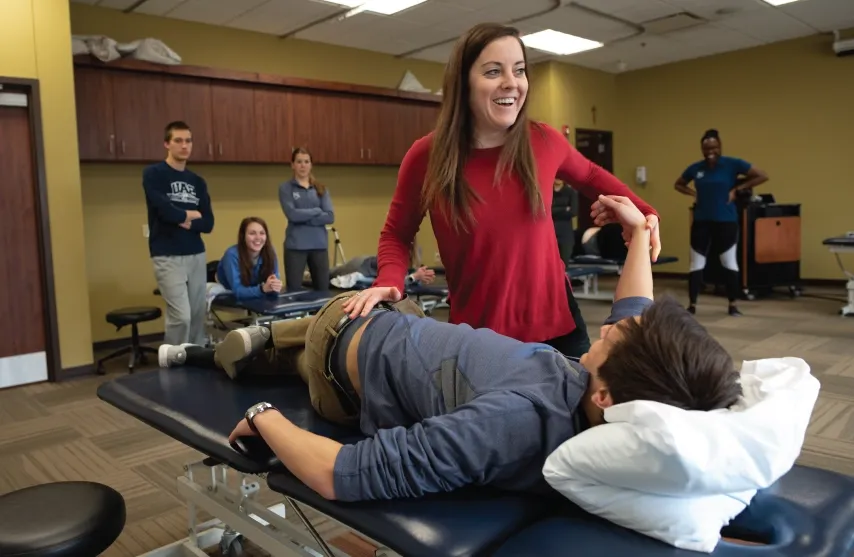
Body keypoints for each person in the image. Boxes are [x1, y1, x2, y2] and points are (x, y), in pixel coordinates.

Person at [157, 194, 741, 503]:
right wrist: (638, 234)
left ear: (610, 394)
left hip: (344, 353)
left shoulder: (515, 421)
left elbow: (342, 473)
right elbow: (636, 307)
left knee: (317, 326)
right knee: (375, 313)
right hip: (403, 328)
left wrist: (265, 421)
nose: (612, 326)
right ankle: (251, 345)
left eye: (616, 337)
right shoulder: (613, 400)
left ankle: (240, 348)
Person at [342, 22, 661, 359]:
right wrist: (389, 281)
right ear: (463, 83)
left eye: (519, 70)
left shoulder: (544, 140)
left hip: (560, 331)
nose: (512, 83)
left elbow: (592, 174)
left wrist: (646, 213)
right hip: (479, 340)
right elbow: (396, 233)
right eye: (494, 71)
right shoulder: (426, 157)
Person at [674, 129, 768, 316]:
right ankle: (692, 305)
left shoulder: (732, 164)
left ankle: (732, 304)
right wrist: (694, 194)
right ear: (702, 149)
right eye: (706, 148)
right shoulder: (696, 168)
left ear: (720, 147)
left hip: (726, 221)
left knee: (729, 262)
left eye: (714, 147)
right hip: (702, 221)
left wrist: (737, 189)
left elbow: (762, 175)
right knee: (696, 264)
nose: (710, 152)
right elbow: (678, 184)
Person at [143, 120, 214, 346]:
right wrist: (190, 214)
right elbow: (164, 212)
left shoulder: (197, 181)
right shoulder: (153, 174)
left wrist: (186, 220)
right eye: (178, 141)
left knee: (196, 317)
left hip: (195, 253)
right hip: (167, 254)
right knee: (180, 317)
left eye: (188, 141)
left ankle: (195, 364)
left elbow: (209, 222)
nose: (184, 146)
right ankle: (172, 366)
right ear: (167, 144)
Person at [279, 148, 334, 292]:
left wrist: (304, 218)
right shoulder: (286, 188)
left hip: (319, 246)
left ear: (311, 165)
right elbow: (292, 215)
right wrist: (316, 211)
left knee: (323, 290)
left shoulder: (321, 189)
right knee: (294, 291)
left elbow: (329, 216)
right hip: (296, 247)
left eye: (306, 162)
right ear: (292, 165)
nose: (303, 165)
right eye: (299, 162)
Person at [216, 217, 282, 301]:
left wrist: (275, 286)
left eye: (262, 233)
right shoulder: (231, 255)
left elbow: (274, 284)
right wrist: (262, 289)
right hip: (228, 287)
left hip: (254, 287)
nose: (258, 237)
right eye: (252, 233)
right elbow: (238, 291)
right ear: (243, 236)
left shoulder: (270, 251)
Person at [552, 180, 578, 268]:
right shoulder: (547, 191)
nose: (558, 178)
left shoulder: (571, 192)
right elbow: (546, 211)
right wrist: (564, 209)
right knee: (550, 265)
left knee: (564, 265)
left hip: (566, 233)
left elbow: (573, 212)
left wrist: (554, 209)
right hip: (550, 232)